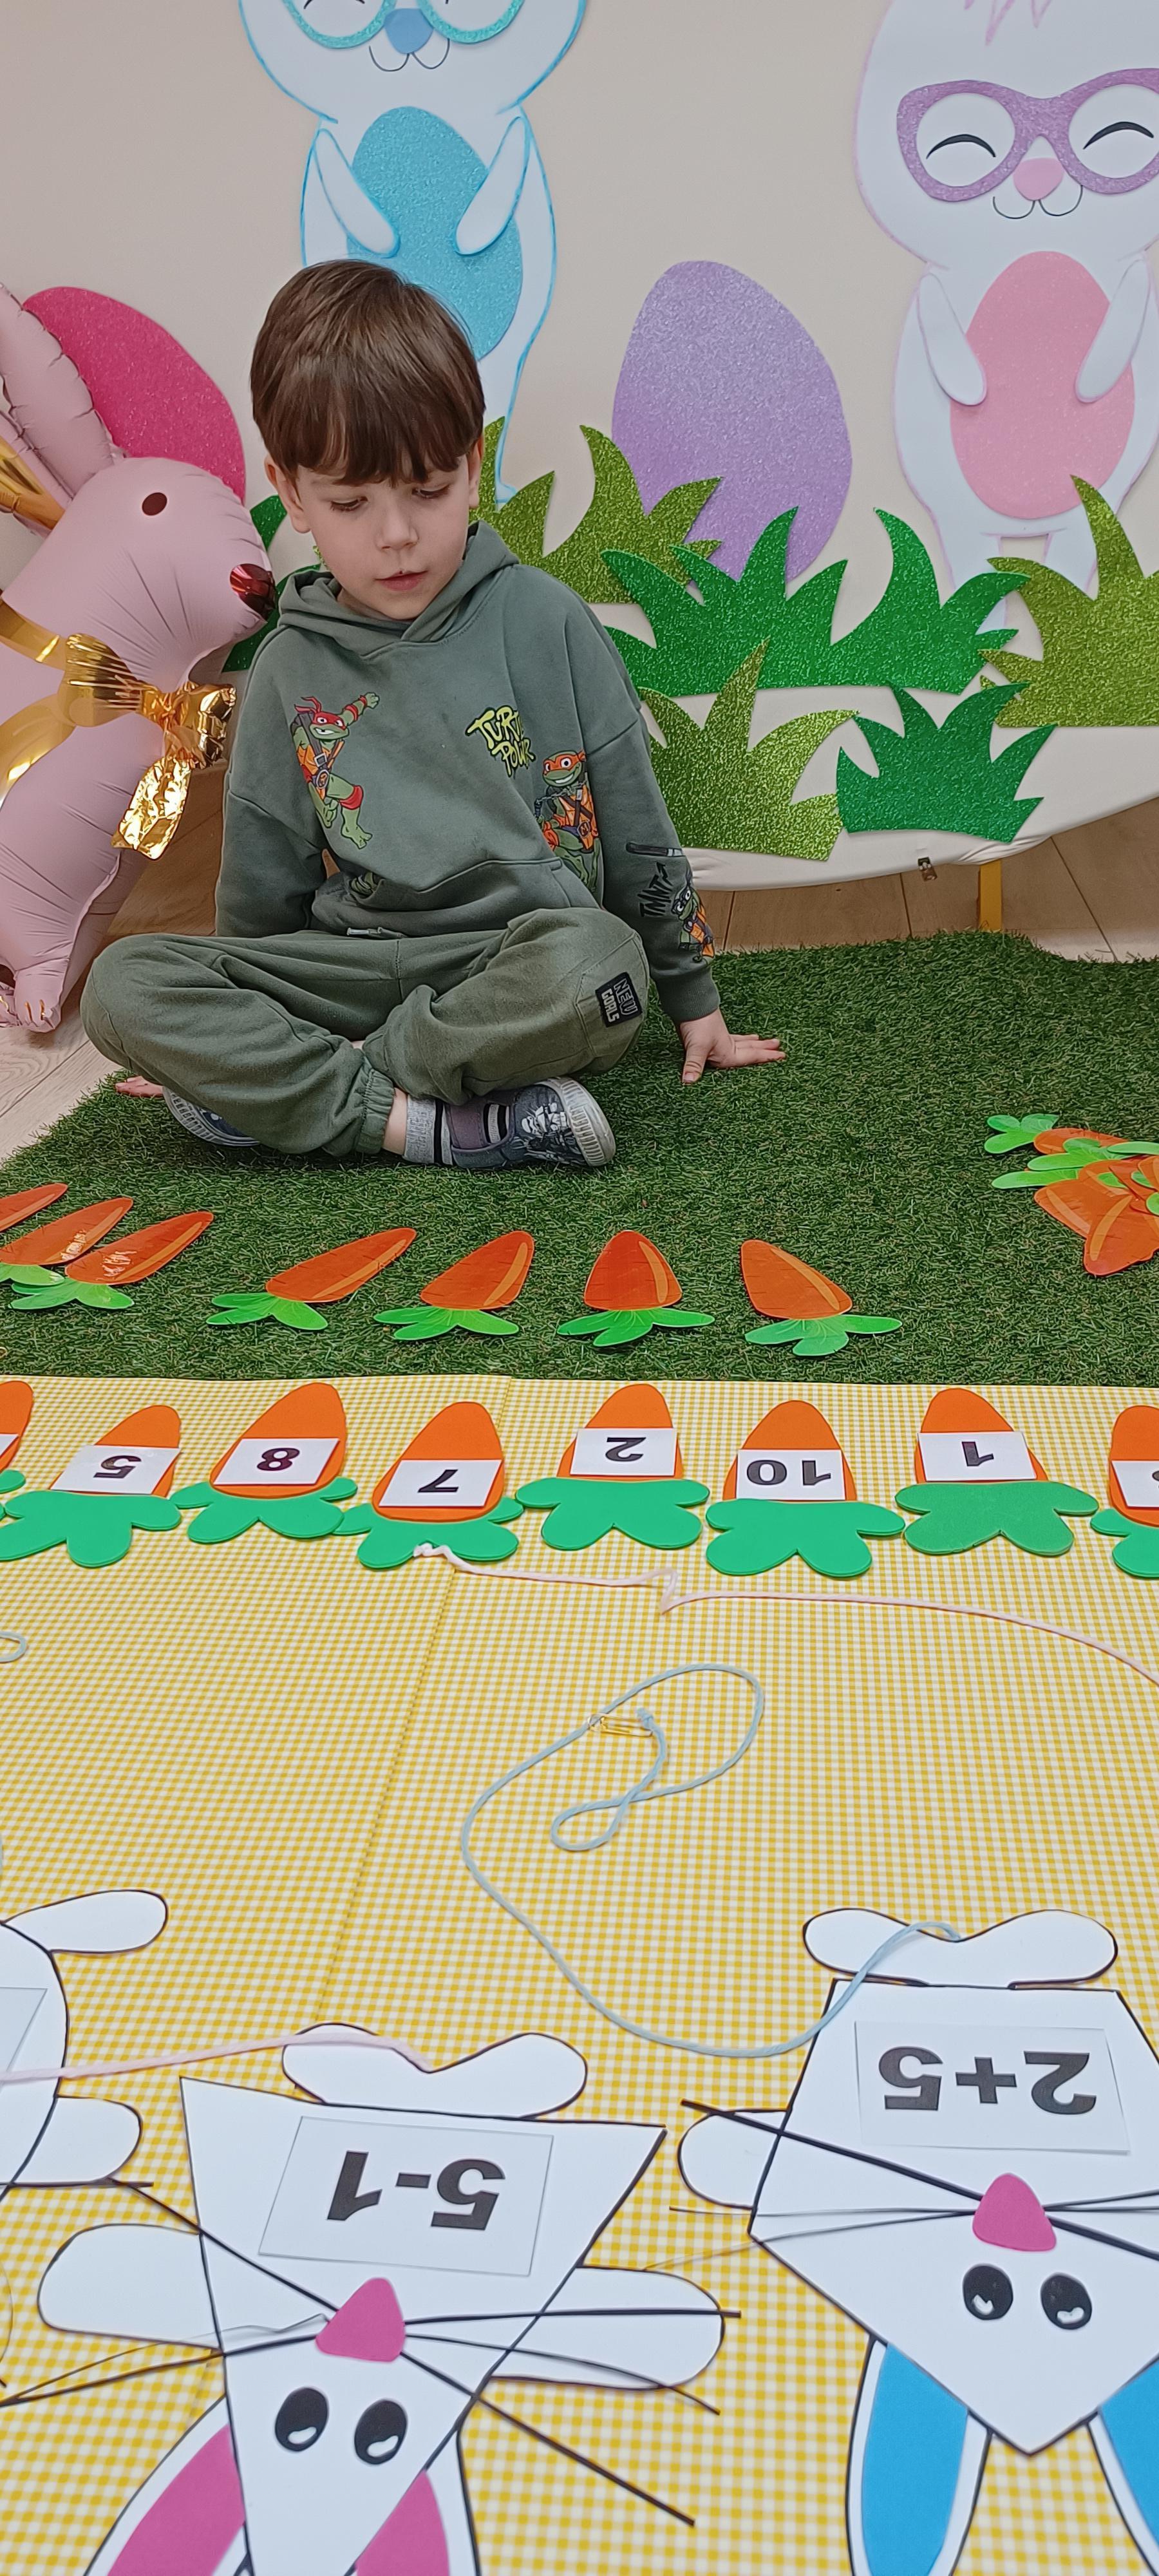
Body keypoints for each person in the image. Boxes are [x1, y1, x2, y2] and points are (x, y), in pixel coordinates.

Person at [82, 263, 784, 1172]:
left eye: (427, 490)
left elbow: (636, 824)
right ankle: (431, 1125)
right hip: (348, 968)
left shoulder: (546, 621)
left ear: (472, 469)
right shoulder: (288, 666)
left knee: (607, 970)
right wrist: (236, 1018)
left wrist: (693, 997)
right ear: (291, 493)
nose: (397, 535)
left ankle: (318, 1095)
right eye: (350, 503)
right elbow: (261, 891)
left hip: (513, 965)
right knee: (121, 986)